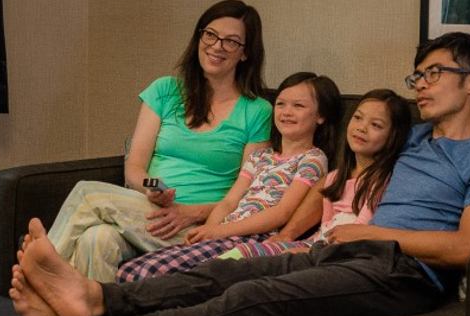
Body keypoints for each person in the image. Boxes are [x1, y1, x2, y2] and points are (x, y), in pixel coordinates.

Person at [9, 33, 470, 316]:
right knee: (223, 271)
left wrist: (367, 232)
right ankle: (96, 297)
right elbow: (343, 153)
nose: (421, 85)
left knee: (256, 298)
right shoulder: (406, 137)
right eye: (418, 75)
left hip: (402, 274)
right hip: (341, 250)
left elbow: (467, 248)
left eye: (435, 74)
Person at [45, 0, 270, 281]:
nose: (216, 46)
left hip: (200, 226)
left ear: (245, 53)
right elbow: (136, 168)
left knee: (88, 194)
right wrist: (156, 188)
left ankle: (43, 273)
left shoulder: (257, 110)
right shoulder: (165, 90)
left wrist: (191, 213)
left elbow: (250, 191)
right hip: (150, 210)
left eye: (231, 41)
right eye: (210, 34)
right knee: (97, 238)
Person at [114, 72, 339, 282]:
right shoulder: (261, 156)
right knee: (131, 270)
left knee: (148, 273)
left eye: (298, 106)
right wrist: (206, 231)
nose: (286, 112)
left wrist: (219, 231)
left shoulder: (313, 159)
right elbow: (230, 201)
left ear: (320, 116)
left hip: (252, 237)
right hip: (223, 232)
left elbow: (282, 213)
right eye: (280, 104)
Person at [233, 88, 412, 257]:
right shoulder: (334, 178)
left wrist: (309, 251)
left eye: (376, 125)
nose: (361, 128)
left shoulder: (382, 180)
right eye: (358, 118)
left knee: (251, 256)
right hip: (317, 245)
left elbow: (358, 231)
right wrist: (299, 246)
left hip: (338, 254)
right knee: (246, 253)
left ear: (393, 136)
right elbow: (324, 227)